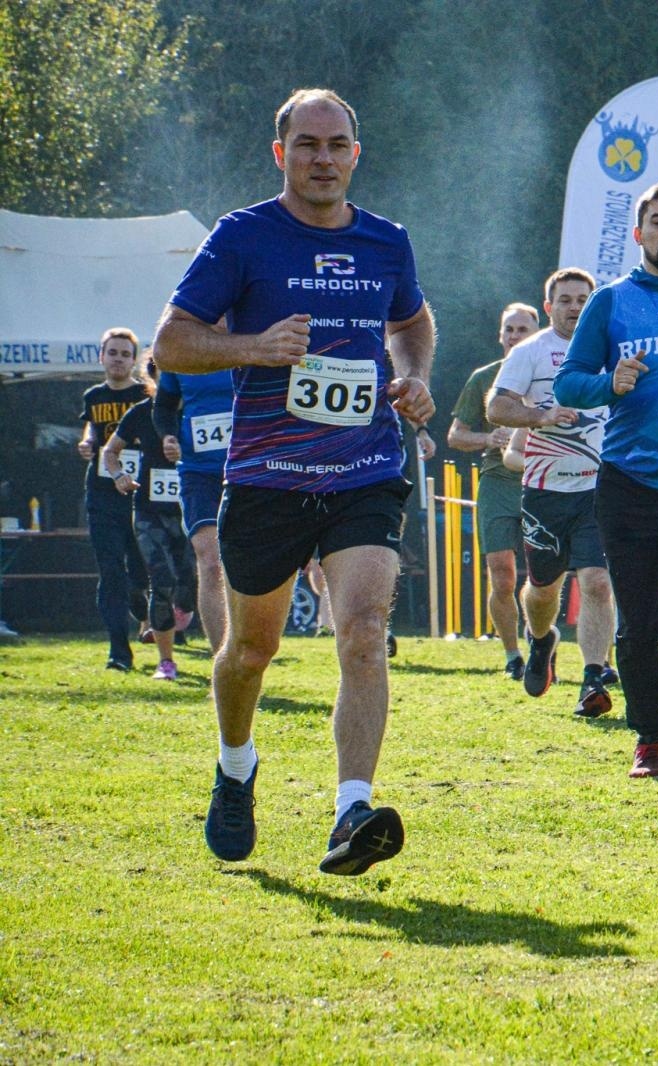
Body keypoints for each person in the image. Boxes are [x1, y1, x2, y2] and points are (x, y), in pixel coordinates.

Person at [153, 87, 436, 876]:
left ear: (356, 153)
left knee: (363, 628)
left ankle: (351, 809)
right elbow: (171, 344)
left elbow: (411, 319)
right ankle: (236, 766)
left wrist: (412, 375)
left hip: (366, 469)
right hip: (267, 475)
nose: (322, 159)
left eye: (336, 144)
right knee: (251, 649)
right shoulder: (243, 236)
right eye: (306, 145)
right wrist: (253, 346)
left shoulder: (387, 242)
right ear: (281, 154)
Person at [551, 180, 658, 778]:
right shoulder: (610, 301)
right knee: (640, 618)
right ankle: (649, 737)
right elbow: (568, 383)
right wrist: (609, 385)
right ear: (639, 233)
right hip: (628, 481)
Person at [487, 269, 616, 714]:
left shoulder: (608, 348)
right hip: (544, 490)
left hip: (598, 490)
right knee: (543, 589)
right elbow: (496, 407)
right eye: (565, 300)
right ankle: (542, 640)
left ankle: (594, 677)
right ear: (549, 306)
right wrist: (539, 416)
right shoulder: (531, 352)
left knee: (598, 582)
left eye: (583, 299)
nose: (575, 307)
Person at [446, 302, 539, 679]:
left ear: (538, 332)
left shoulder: (555, 369)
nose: (515, 335)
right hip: (498, 482)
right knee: (502, 573)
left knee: (546, 573)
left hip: (545, 479)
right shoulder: (484, 378)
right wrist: (489, 436)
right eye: (510, 329)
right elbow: (455, 435)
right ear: (500, 336)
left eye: (523, 329)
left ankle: (540, 636)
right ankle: (512, 655)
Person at [104, 355, 196, 680]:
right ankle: (166, 661)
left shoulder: (198, 411)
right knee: (162, 581)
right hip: (148, 511)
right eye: (165, 375)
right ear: (153, 377)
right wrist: (119, 477)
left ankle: (179, 612)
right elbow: (109, 452)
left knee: (188, 584)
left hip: (191, 510)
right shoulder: (141, 413)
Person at [78, 327, 151, 671]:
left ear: (134, 360)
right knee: (110, 570)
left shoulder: (145, 393)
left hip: (140, 491)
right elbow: (91, 428)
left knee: (139, 572)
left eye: (125, 353)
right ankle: (118, 652)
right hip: (102, 491)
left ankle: (145, 609)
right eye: (113, 352)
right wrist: (86, 443)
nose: (118, 359)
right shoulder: (93, 396)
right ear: (101, 356)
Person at [153, 364, 234, 651]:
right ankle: (222, 658)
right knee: (210, 562)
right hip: (198, 472)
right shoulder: (182, 352)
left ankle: (248, 645)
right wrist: (168, 436)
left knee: (246, 561)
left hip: (247, 468)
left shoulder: (250, 336)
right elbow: (163, 406)